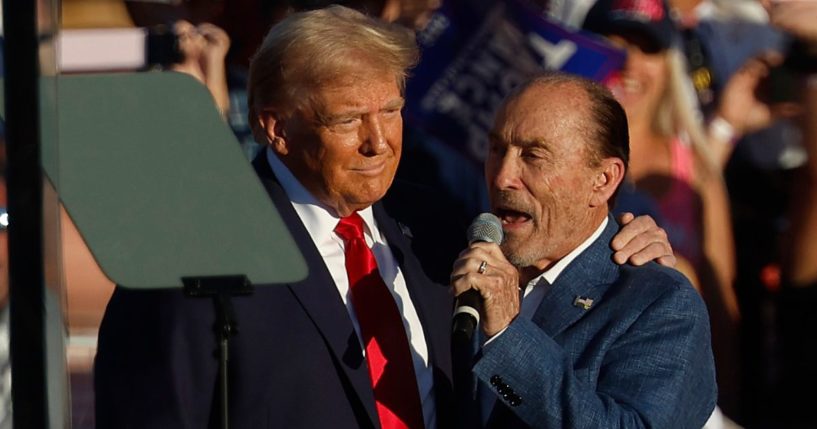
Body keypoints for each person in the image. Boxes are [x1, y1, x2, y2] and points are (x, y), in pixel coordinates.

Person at [94, 6, 676, 429]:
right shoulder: (194, 256)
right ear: (275, 126)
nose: (379, 142)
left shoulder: (440, 227)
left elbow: (558, 248)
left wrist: (623, 242)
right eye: (349, 119)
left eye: (392, 111)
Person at [452, 72, 716, 428]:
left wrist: (508, 337)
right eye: (497, 149)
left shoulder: (658, 304)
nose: (502, 177)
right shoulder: (453, 257)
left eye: (533, 156)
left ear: (603, 180)